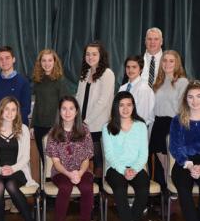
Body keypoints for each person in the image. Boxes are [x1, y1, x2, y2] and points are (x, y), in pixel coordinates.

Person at [0, 96, 38, 221]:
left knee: (11, 184)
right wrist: (0, 169)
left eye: (13, 110)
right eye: (6, 109)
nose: (10, 113)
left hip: (17, 170)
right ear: (1, 110)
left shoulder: (23, 129)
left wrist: (12, 168)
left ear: (17, 112)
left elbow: (25, 157)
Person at [102, 91, 149, 221]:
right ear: (116, 107)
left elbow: (143, 154)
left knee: (143, 189)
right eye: (121, 105)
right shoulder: (107, 127)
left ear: (133, 107)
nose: (125, 109)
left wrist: (134, 169)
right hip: (115, 168)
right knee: (120, 190)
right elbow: (109, 155)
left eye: (129, 105)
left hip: (137, 167)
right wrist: (124, 170)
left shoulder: (140, 126)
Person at [46, 96, 94, 221]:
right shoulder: (53, 132)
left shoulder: (85, 130)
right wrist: (69, 174)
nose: (67, 113)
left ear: (77, 111)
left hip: (82, 170)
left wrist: (79, 173)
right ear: (59, 112)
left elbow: (86, 158)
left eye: (71, 109)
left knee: (86, 188)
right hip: (61, 171)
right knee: (65, 187)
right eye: (64, 109)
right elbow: (56, 163)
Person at [76, 41, 115, 184]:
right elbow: (79, 97)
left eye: (94, 54)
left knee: (99, 162)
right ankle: (88, 193)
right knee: (84, 160)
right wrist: (77, 118)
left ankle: (99, 196)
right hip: (83, 124)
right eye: (88, 54)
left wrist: (87, 121)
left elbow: (103, 101)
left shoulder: (107, 74)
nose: (90, 57)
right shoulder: (85, 73)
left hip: (97, 125)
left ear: (101, 56)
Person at [149, 50, 188, 191]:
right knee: (163, 166)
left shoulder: (182, 82)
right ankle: (166, 197)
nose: (167, 63)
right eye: (165, 60)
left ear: (177, 63)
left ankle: (173, 194)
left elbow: (183, 109)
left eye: (171, 61)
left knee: (171, 166)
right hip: (158, 125)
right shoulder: (157, 82)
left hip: (173, 125)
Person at [170, 81, 200, 221]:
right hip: (183, 163)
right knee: (184, 190)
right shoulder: (178, 120)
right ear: (185, 99)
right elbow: (175, 147)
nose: (195, 101)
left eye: (198, 96)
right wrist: (189, 166)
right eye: (190, 97)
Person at [30, 49, 68, 164]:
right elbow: (37, 105)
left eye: (50, 60)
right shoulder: (37, 81)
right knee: (44, 161)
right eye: (44, 61)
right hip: (39, 126)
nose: (47, 63)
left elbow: (64, 106)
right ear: (40, 63)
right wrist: (32, 125)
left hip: (55, 127)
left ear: (55, 62)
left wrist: (62, 126)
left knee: (57, 161)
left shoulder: (60, 81)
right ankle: (45, 182)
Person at [0, 46, 31, 126]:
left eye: (7, 58)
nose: (4, 61)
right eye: (0, 59)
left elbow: (26, 108)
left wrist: (12, 126)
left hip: (19, 128)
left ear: (13, 59)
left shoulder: (24, 82)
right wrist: (0, 124)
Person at [119, 55, 155, 126]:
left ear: (141, 69)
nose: (130, 70)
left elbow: (142, 116)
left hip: (137, 128)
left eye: (134, 67)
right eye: (128, 67)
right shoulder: (123, 88)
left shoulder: (144, 89)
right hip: (122, 126)